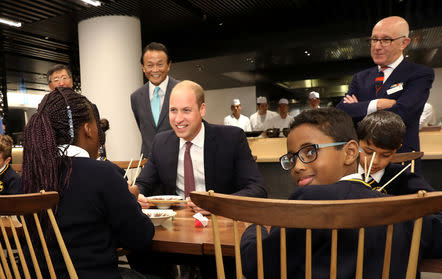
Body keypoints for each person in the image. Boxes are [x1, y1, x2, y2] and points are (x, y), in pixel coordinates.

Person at [240, 108, 442, 279]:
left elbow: (257, 266)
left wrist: (253, 229)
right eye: (292, 159)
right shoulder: (407, 214)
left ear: (350, 152)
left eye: (310, 152)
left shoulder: (307, 203)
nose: (297, 167)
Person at [22, 87, 154, 279]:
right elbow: (140, 237)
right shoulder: (102, 173)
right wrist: (129, 202)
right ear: (88, 129)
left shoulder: (31, 176)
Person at [130, 80, 266, 214]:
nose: (178, 119)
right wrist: (138, 195)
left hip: (222, 222)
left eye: (186, 110)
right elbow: (143, 184)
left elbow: (257, 189)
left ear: (202, 110)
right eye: (173, 110)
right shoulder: (161, 142)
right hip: (177, 222)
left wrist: (217, 204)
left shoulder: (231, 138)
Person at [336, 16, 434, 158]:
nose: (377, 46)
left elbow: (403, 113)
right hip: (362, 160)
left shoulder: (420, 74)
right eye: (374, 39)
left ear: (404, 43)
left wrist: (359, 109)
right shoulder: (360, 77)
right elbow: (342, 113)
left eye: (386, 40)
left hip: (399, 159)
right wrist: (377, 104)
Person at [357, 110, 434, 195]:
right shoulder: (343, 171)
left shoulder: (402, 176)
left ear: (396, 150)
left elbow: (435, 199)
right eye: (368, 152)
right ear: (356, 144)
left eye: (385, 155)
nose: (375, 161)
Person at [131, 42, 179, 157]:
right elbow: (143, 128)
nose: (155, 70)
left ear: (168, 65)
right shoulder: (136, 97)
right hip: (148, 162)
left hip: (179, 159)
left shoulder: (182, 90)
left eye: (160, 64)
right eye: (150, 65)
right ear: (143, 67)